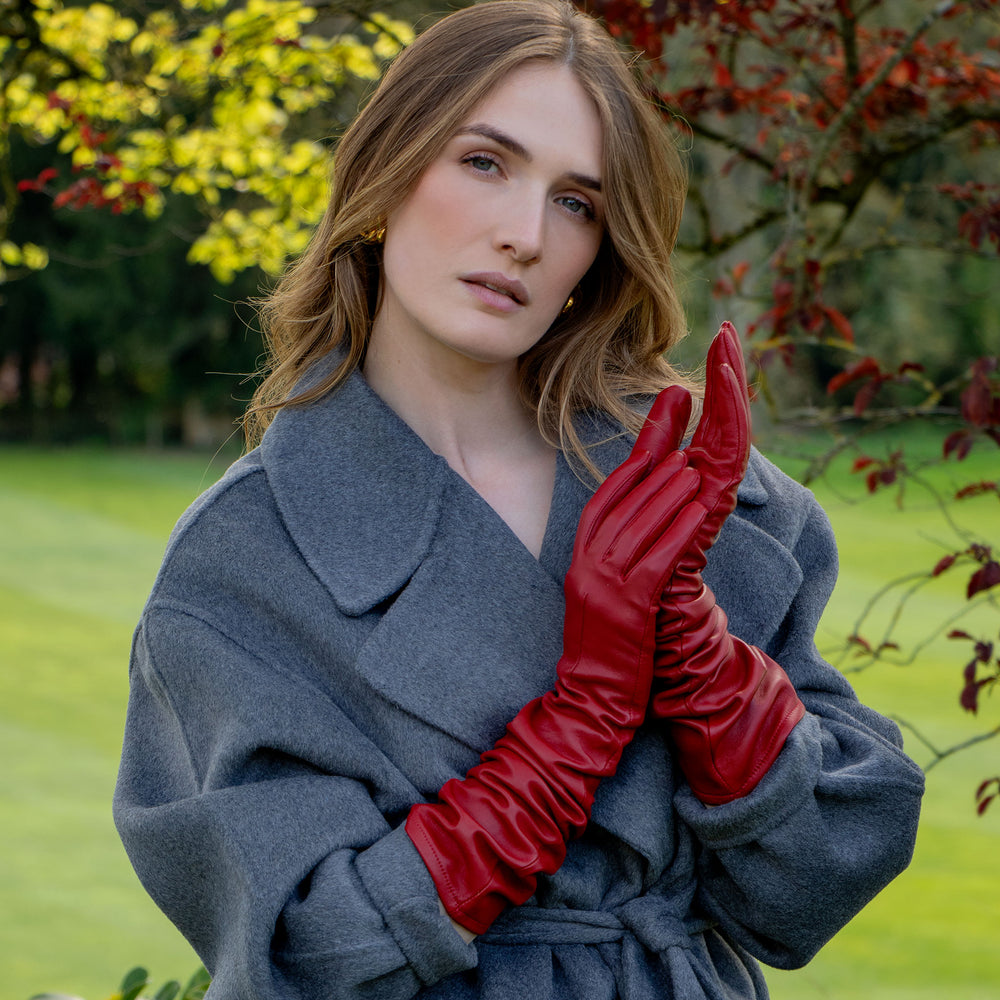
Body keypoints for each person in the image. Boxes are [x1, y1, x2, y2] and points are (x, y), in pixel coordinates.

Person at [113, 2, 925, 998]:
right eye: (485, 163)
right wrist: (572, 727)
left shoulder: (692, 497)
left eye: (577, 202)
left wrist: (705, 669)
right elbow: (304, 959)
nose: (526, 235)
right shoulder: (242, 564)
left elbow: (817, 881)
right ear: (386, 172)